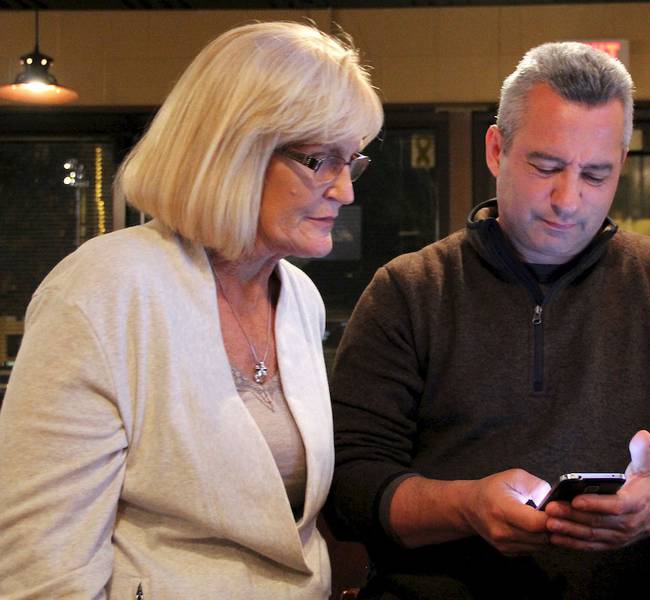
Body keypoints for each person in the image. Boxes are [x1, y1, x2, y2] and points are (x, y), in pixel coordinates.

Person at [325, 42, 650, 599]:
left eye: (596, 175)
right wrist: (465, 508)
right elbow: (350, 487)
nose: (569, 199)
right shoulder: (409, 290)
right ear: (496, 149)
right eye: (547, 166)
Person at [0, 21, 382, 599]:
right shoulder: (106, 287)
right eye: (318, 160)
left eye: (350, 160)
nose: (344, 190)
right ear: (235, 151)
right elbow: (43, 565)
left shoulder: (298, 293)